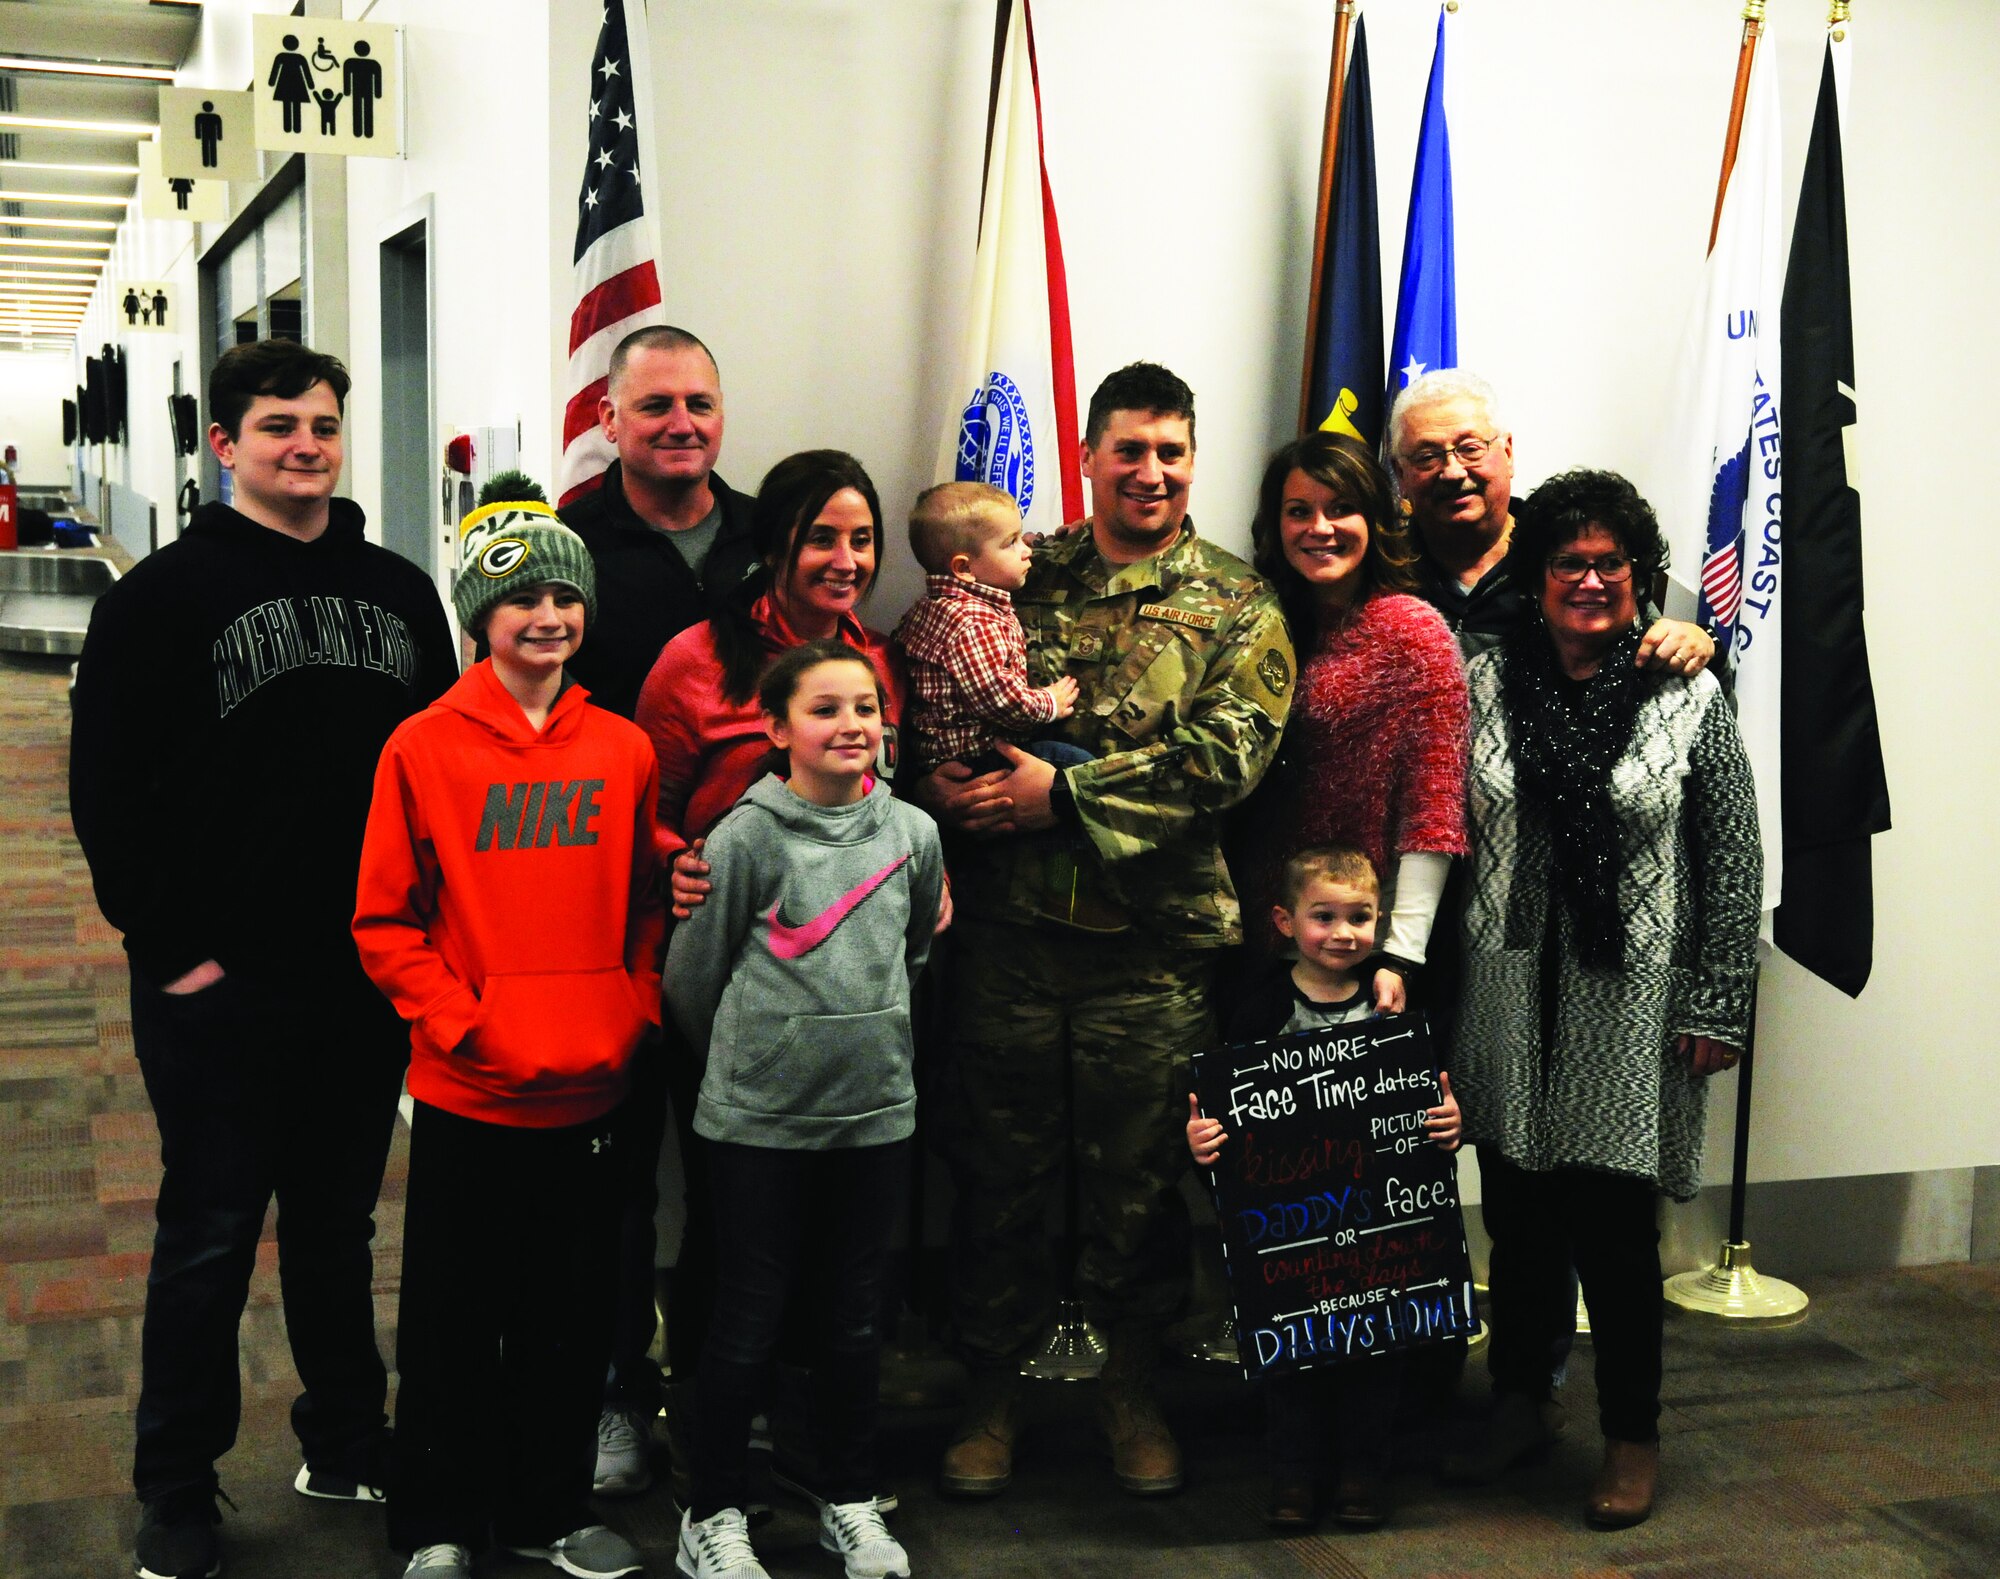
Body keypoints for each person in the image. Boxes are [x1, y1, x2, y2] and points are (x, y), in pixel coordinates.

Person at [68, 339, 458, 1579]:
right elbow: (107, 791)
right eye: (279, 424)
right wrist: (171, 953)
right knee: (211, 1229)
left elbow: (445, 772)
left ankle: (343, 1436)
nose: (308, 442)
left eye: (325, 423)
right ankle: (176, 1485)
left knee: (339, 1223)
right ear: (226, 444)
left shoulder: (400, 591)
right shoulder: (157, 599)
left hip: (364, 971)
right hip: (217, 981)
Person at [925, 362, 1294, 1498]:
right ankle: (988, 1392)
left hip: (1150, 952)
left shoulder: (1237, 602)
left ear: (1193, 459)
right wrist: (938, 778)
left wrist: (1065, 796)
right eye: (1128, 449)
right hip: (1008, 940)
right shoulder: (1012, 572)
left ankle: (1132, 1392)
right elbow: (937, 682)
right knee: (997, 1177)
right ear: (1087, 456)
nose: (1150, 471)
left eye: (1170, 451)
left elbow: (1228, 756)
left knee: (1137, 1184)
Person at [352, 502, 663, 1579]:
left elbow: (646, 904)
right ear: (480, 615)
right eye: (521, 596)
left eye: (564, 595)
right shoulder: (422, 746)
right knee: (450, 1317)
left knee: (569, 1321)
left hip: (592, 1088)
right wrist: (460, 1025)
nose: (546, 614)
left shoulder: (622, 749)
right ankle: (438, 1518)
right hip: (469, 1091)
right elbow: (384, 920)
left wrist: (635, 1006)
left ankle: (547, 1509)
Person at [1446, 469, 1760, 1529]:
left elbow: (1729, 854)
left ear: (1638, 576)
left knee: (1613, 1235)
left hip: (1625, 1001)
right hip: (1502, 985)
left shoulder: (1687, 693)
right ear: (1533, 580)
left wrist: (1716, 1003)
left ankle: (1631, 1434)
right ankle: (1519, 1404)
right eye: (1565, 563)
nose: (1586, 580)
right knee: (1518, 1219)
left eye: (1606, 563)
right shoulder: (1483, 679)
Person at [632, 448, 907, 1506]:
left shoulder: (873, 665)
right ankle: (712, 1439)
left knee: (834, 1236)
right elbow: (641, 805)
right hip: (728, 985)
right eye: (822, 536)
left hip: (844, 994)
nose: (844, 559)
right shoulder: (693, 662)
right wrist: (674, 857)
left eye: (861, 538)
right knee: (726, 1222)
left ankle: (808, 1438)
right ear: (775, 543)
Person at [665, 641, 943, 1579]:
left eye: (864, 707)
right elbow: (693, 983)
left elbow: (910, 960)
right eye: (825, 710)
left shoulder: (913, 832)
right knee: (746, 1317)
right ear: (779, 730)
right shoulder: (748, 836)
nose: (851, 725)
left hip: (873, 1119)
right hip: (758, 1125)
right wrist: (757, 1069)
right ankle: (712, 1510)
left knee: (854, 1320)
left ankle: (847, 1495)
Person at [560, 324, 756, 1495]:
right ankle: (613, 1394)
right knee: (617, 1178)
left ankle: (729, 1392)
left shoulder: (766, 538)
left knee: (739, 1167)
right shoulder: (573, 543)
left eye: (698, 403)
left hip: (760, 926)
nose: (679, 424)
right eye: (654, 407)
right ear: (610, 421)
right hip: (608, 911)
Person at [1187, 844, 1462, 1530]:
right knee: (1293, 1363)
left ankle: (1363, 1474)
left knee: (1378, 1359)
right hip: (1288, 1230)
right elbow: (1220, 1113)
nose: (1343, 932)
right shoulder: (1257, 1007)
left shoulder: (1394, 1001)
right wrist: (1202, 1144)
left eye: (1361, 916)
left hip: (1382, 1223)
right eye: (1324, 916)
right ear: (1284, 921)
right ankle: (1292, 1478)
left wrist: (1448, 1121)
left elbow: (1429, 1097)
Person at [1234, 431, 1468, 1006]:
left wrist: (1402, 954)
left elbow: (1433, 810)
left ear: (1375, 519)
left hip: (1360, 954)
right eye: (1299, 511)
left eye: (1342, 509)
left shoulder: (1413, 633)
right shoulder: (1252, 619)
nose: (1320, 527)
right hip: (1255, 941)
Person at [894, 480, 1079, 774]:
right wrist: (1049, 703)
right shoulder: (972, 622)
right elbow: (999, 700)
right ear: (964, 569)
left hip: (941, 758)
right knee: (1076, 763)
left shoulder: (926, 608)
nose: (1026, 551)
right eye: (1011, 543)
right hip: (977, 757)